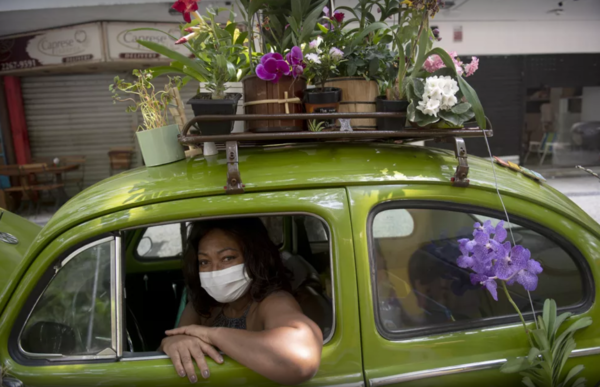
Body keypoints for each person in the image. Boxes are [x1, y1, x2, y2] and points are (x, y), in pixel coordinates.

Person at [160, 218, 323, 385]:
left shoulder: (273, 301)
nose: (215, 271)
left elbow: (300, 359)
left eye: (227, 258)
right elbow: (171, 345)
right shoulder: (203, 305)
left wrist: (212, 335)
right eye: (204, 262)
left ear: (253, 258)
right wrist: (171, 342)